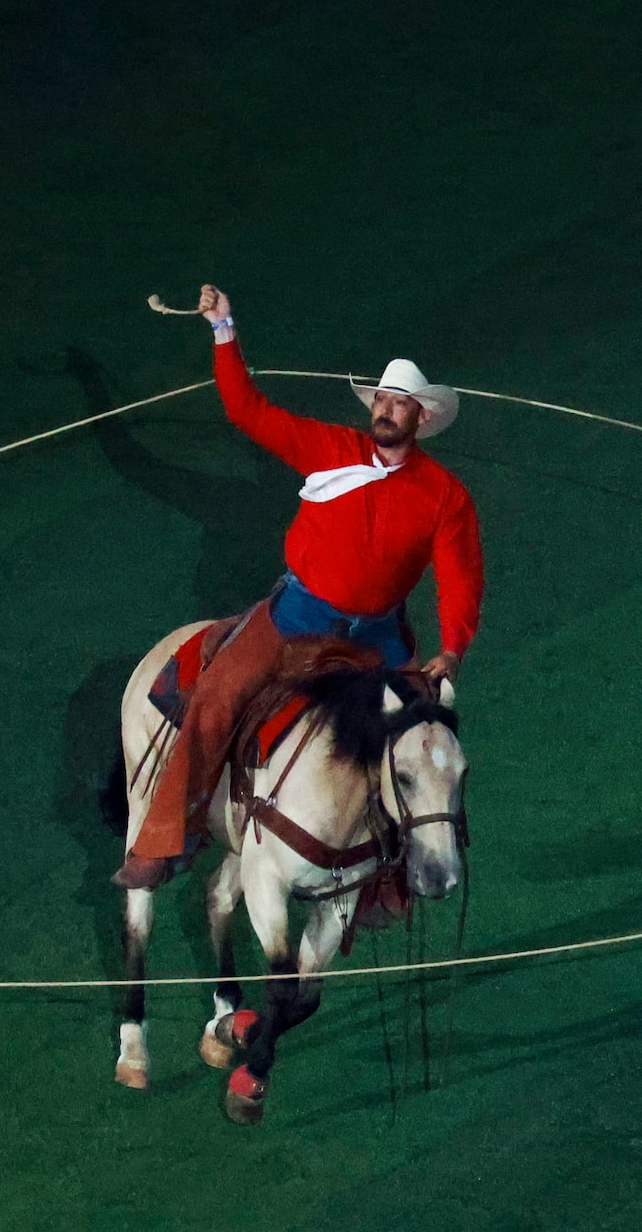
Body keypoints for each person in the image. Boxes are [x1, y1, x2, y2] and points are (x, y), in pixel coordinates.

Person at [115, 285, 483, 890]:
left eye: (401, 403)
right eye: (383, 399)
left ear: (422, 417)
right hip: (296, 617)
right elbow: (247, 411)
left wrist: (452, 648)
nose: (387, 410)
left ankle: (404, 867)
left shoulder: (446, 495)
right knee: (215, 697)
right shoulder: (330, 450)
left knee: (427, 741)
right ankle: (163, 841)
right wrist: (224, 329)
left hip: (378, 639)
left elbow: (460, 575)